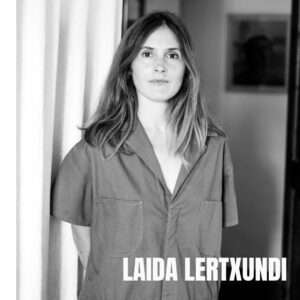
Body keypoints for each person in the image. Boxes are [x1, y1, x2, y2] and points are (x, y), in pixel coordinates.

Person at [51, 11, 238, 300]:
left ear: (187, 68)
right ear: (129, 67)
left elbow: (212, 244)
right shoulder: (96, 149)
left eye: (173, 56)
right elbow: (81, 233)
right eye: (148, 54)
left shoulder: (214, 147)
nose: (160, 66)